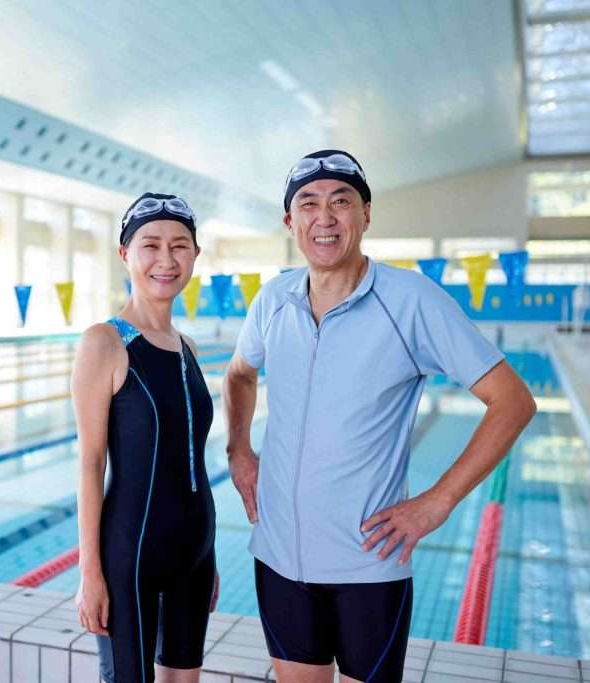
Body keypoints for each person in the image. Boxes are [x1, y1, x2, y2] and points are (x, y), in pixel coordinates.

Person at [223, 150, 536, 683]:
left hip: (366, 563)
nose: (324, 218)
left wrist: (438, 501)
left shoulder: (411, 300)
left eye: (341, 202)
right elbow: (238, 374)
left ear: (366, 214)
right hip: (278, 558)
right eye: (308, 204)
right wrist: (238, 450)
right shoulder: (272, 300)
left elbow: (513, 401)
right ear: (290, 221)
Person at [74, 192, 219, 683]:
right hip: (129, 554)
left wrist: (209, 555)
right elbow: (91, 463)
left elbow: (192, 460)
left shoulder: (188, 347)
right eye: (150, 245)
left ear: (195, 255)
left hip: (196, 552)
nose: (166, 259)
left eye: (179, 246)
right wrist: (90, 572)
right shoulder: (105, 343)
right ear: (125, 253)